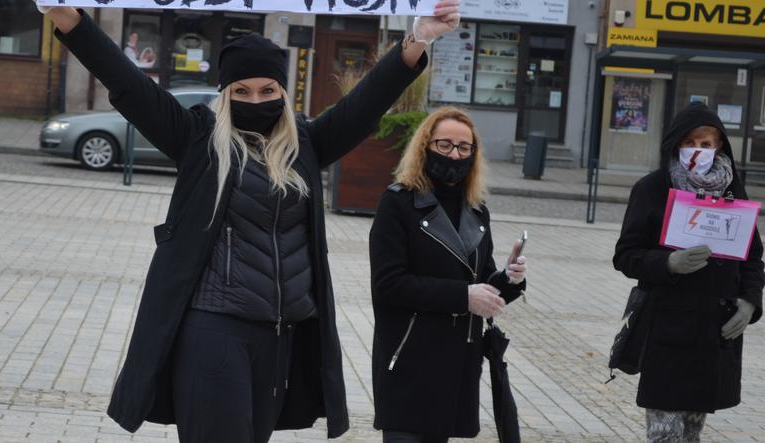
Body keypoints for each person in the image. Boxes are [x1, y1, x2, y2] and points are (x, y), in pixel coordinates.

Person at [36, 1, 461, 441]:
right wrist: (66, 16)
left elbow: (367, 102)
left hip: (280, 338)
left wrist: (418, 39)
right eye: (240, 91)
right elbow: (124, 80)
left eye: (266, 90)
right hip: (214, 332)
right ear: (225, 94)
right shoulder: (198, 140)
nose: (255, 100)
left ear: (282, 91)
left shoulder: (308, 144)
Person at [368, 106, 527, 442]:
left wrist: (510, 280)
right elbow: (388, 285)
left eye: (464, 147)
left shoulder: (477, 209)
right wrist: (463, 296)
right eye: (445, 145)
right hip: (409, 358)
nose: (455, 154)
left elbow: (481, 280)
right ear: (425, 146)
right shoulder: (398, 203)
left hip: (458, 364)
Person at [613, 102, 764, 443]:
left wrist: (750, 301)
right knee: (665, 435)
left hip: (715, 332)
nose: (698, 151)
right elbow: (626, 255)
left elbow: (753, 255)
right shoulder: (651, 188)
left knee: (692, 434)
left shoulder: (732, 190)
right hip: (667, 329)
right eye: (690, 143)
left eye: (706, 144)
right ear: (675, 144)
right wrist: (666, 263)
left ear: (719, 146)